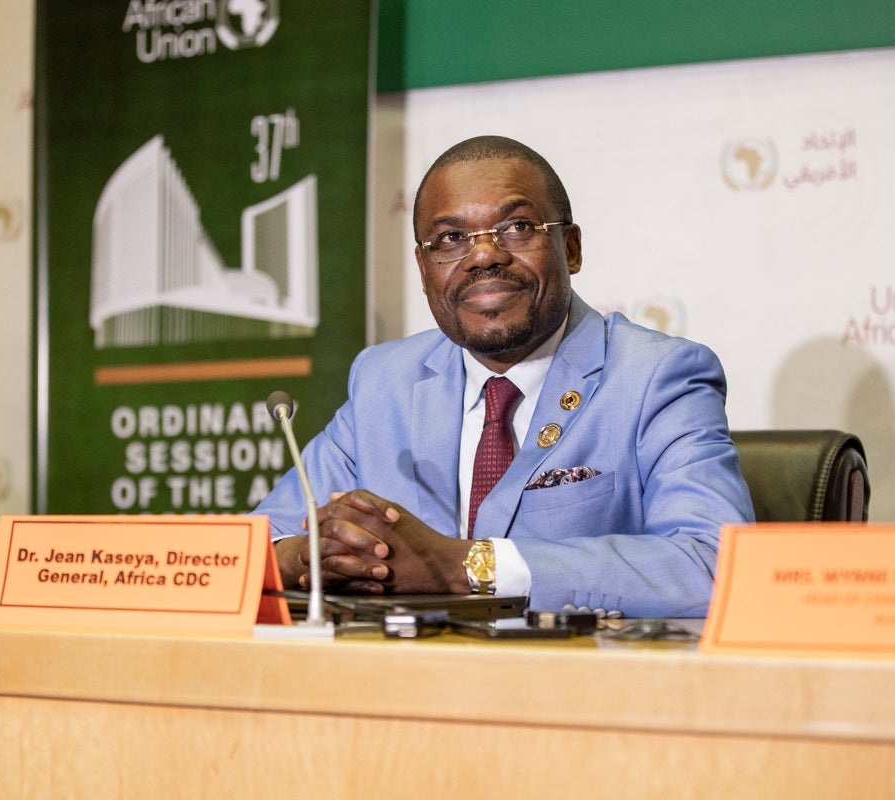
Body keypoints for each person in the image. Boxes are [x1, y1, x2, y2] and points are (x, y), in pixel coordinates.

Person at [255, 135, 754, 618]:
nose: (483, 255)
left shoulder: (658, 377)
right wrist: (313, 557)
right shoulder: (385, 380)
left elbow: (714, 564)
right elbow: (251, 546)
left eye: (516, 227)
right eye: (451, 239)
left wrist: (464, 567)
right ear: (424, 269)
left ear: (571, 248)